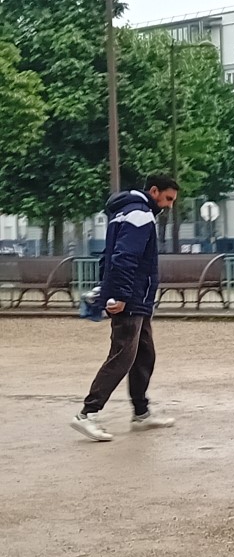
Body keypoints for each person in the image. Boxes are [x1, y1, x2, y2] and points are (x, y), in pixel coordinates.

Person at [71, 175, 179, 442]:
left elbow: (109, 256)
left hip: (136, 296)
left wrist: (108, 288)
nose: (169, 205)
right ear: (154, 191)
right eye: (168, 199)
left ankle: (141, 413)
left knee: (144, 354)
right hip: (131, 297)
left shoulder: (124, 213)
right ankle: (88, 413)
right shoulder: (140, 215)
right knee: (123, 356)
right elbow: (124, 256)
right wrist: (119, 294)